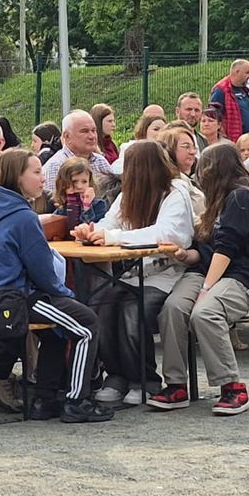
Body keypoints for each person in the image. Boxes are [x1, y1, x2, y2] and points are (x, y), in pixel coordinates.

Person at [0, 149, 113, 423]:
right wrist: (67, 295)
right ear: (18, 177)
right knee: (86, 323)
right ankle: (77, 401)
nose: (42, 179)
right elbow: (43, 272)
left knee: (55, 331)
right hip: (18, 298)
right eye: (36, 172)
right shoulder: (22, 217)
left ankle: (44, 400)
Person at [72, 141, 195, 405]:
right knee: (101, 308)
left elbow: (168, 234)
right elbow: (108, 223)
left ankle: (145, 380)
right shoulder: (127, 195)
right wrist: (91, 231)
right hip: (130, 274)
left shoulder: (175, 193)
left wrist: (114, 237)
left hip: (165, 274)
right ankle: (117, 376)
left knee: (132, 312)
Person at [154, 142, 249, 414]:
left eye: (203, 167)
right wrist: (185, 255)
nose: (199, 173)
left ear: (215, 168)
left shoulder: (241, 197)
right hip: (208, 269)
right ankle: (176, 384)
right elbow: (207, 249)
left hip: (241, 275)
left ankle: (232, 387)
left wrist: (206, 288)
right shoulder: (218, 198)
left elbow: (227, 249)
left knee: (205, 313)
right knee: (173, 308)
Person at [41, 110, 114, 199]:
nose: (92, 136)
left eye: (94, 130)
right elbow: (52, 203)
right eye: (85, 131)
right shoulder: (56, 166)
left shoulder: (100, 161)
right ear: (67, 136)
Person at [52, 155, 109, 228]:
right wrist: (72, 203)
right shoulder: (62, 209)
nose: (79, 186)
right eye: (74, 181)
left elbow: (91, 227)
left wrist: (87, 207)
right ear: (63, 184)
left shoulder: (99, 205)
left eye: (84, 182)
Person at [209, 59, 249, 143]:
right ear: (237, 72)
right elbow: (213, 115)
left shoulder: (243, 89)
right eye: (247, 72)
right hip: (234, 141)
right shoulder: (220, 90)